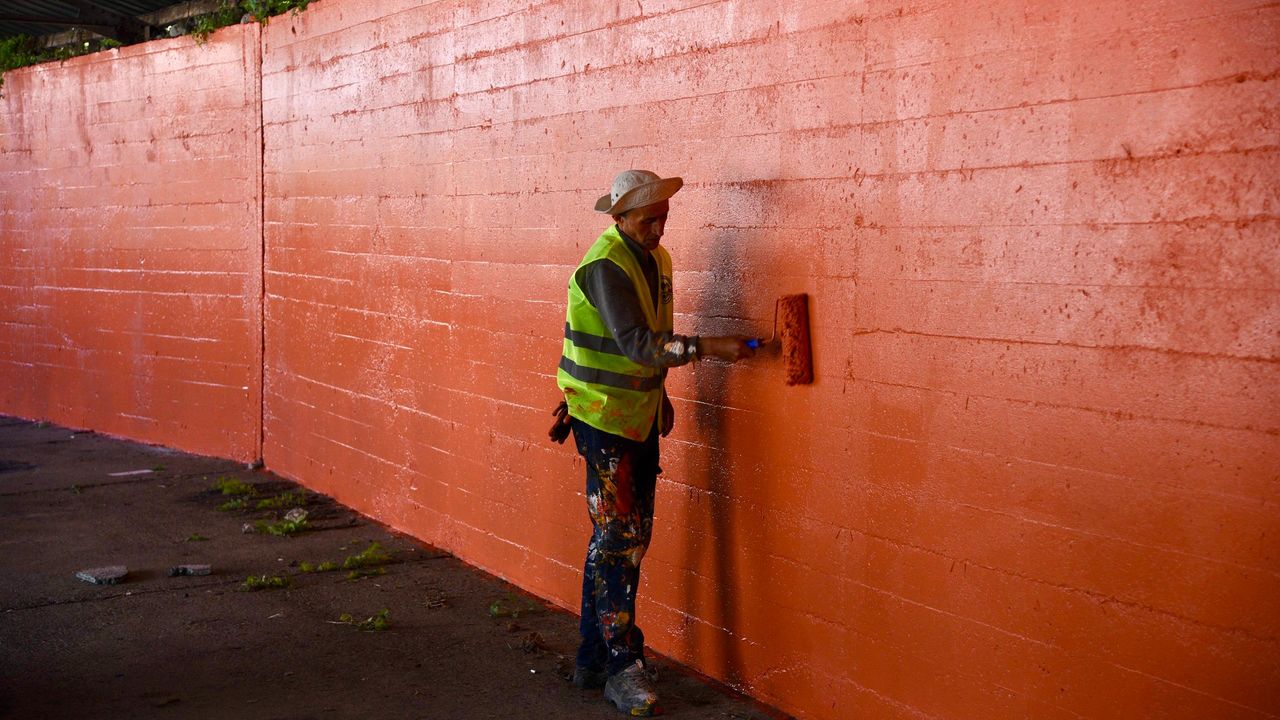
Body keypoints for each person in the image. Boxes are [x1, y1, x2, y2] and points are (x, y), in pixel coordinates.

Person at [548, 169, 754, 716]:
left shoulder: (656, 260)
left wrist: (657, 397)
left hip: (634, 416)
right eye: (647, 220)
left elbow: (649, 340)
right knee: (621, 539)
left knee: (619, 538)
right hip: (603, 418)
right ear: (618, 219)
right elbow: (641, 344)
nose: (658, 230)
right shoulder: (605, 266)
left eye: (663, 219)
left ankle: (594, 658)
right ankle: (621, 667)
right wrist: (711, 347)